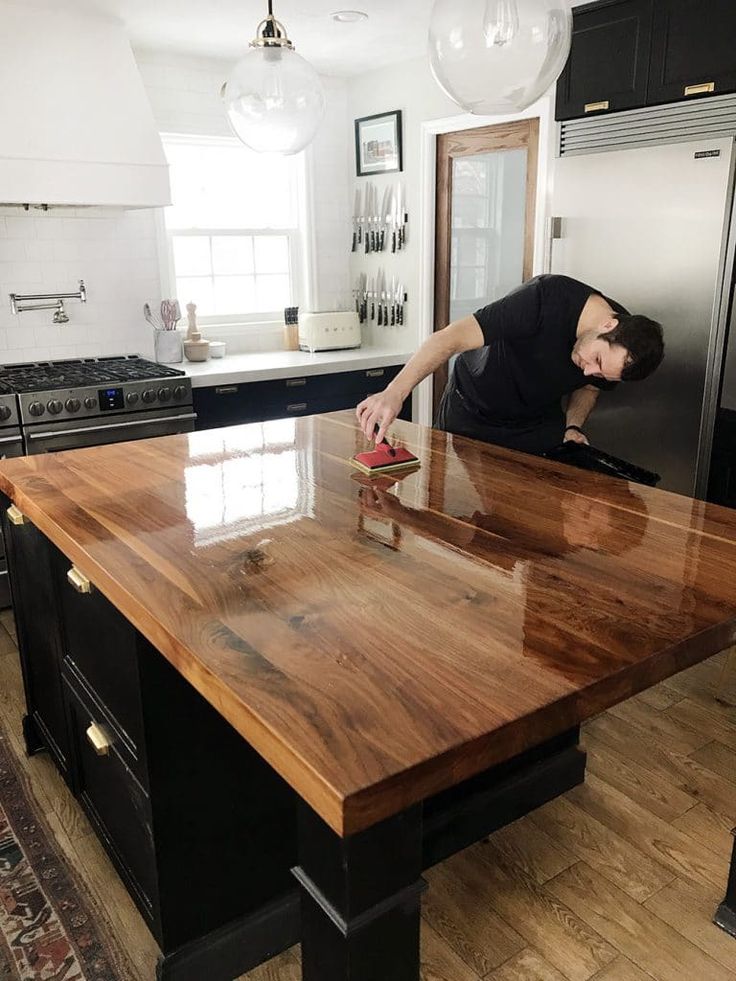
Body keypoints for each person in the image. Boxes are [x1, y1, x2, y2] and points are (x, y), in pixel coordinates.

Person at [356, 274, 664, 456]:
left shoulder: (619, 352)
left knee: (523, 517)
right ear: (608, 325)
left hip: (534, 422)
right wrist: (395, 392)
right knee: (450, 508)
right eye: (595, 360)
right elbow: (450, 338)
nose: (588, 370)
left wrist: (573, 426)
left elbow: (587, 387)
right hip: (472, 409)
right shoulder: (544, 299)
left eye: (601, 372)